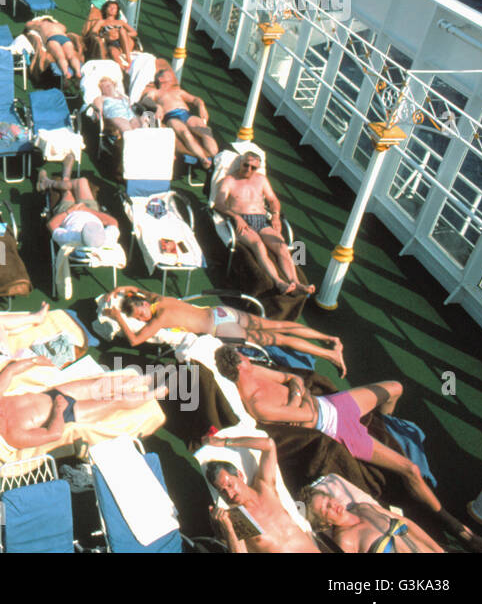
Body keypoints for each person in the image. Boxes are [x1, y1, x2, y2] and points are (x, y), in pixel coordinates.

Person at [214, 345, 482, 553]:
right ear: (239, 366)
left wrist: (295, 394)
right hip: (338, 426)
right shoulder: (256, 404)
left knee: (395, 387)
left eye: (228, 482)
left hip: (337, 404)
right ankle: (458, 528)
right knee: (409, 469)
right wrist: (297, 395)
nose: (248, 356)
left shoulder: (263, 486)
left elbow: (292, 381)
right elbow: (299, 407)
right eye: (225, 489)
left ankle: (384, 422)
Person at [105, 286, 344, 374]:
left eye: (140, 313)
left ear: (144, 306)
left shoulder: (159, 317)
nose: (143, 318)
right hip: (221, 312)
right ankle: (330, 339)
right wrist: (118, 292)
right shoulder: (159, 299)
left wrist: (118, 316)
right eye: (139, 317)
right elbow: (133, 289)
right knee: (278, 326)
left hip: (220, 327)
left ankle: (330, 354)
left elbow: (135, 341)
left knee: (277, 337)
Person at [0, 357, 165, 450]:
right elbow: (54, 434)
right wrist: (59, 410)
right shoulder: (13, 435)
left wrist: (35, 360)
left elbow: (9, 372)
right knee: (114, 400)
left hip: (53, 395)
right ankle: (155, 394)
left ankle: (146, 379)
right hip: (66, 414)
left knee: (99, 385)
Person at [214, 150, 313, 294]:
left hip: (262, 220)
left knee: (282, 247)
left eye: (253, 167)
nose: (248, 169)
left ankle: (296, 283)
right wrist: (236, 217)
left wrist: (276, 216)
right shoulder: (229, 180)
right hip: (242, 220)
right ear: (240, 163)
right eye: (245, 165)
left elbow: (273, 200)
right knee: (259, 246)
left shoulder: (261, 179)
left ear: (257, 168)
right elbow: (219, 203)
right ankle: (279, 283)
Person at [201, 434, 320, 553]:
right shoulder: (238, 517)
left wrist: (224, 442)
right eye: (223, 491)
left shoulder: (265, 488)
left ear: (240, 475)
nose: (230, 494)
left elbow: (268, 445)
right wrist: (228, 529)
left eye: (230, 485)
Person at [301, 480, 444, 553]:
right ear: (324, 523)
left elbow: (408, 524)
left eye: (328, 500)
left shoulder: (364, 507)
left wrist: (440, 550)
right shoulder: (345, 541)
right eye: (325, 509)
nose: (332, 506)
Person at [139, 68, 220, 169]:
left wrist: (201, 105)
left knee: (206, 131)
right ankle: (203, 159)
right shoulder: (155, 92)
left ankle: (217, 160)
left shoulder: (178, 91)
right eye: (170, 75)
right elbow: (146, 100)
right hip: (172, 117)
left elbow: (195, 99)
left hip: (187, 114)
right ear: (160, 78)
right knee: (185, 134)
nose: (173, 76)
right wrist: (157, 107)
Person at [45, 179, 120, 251]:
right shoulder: (108, 239)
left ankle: (49, 182)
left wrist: (69, 211)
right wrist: (87, 210)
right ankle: (55, 179)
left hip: (68, 214)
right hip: (91, 211)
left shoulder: (70, 239)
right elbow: (113, 222)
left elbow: (51, 224)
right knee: (82, 181)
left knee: (68, 191)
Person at [83, 0, 139, 69]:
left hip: (127, 43)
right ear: (105, 9)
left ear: (116, 12)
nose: (112, 9)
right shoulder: (102, 22)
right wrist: (103, 36)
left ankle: (128, 58)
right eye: (110, 7)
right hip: (112, 44)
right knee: (113, 52)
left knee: (122, 30)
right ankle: (123, 70)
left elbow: (134, 33)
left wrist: (119, 35)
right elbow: (93, 32)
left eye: (114, 8)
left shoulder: (121, 22)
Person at [25, 16, 84, 81]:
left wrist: (37, 21)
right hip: (65, 39)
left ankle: (66, 73)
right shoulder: (60, 25)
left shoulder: (40, 24)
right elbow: (65, 29)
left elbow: (27, 25)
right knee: (71, 56)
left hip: (52, 38)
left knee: (60, 57)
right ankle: (78, 72)